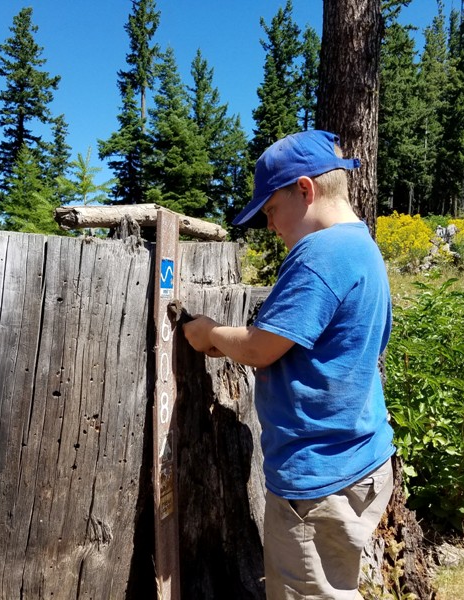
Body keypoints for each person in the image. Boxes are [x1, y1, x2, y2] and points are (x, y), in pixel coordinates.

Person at [182, 129, 395, 600]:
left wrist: (208, 333)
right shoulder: (363, 248)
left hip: (319, 477)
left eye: (272, 211)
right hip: (359, 457)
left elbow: (260, 348)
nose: (271, 226)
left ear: (305, 189)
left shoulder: (320, 255)